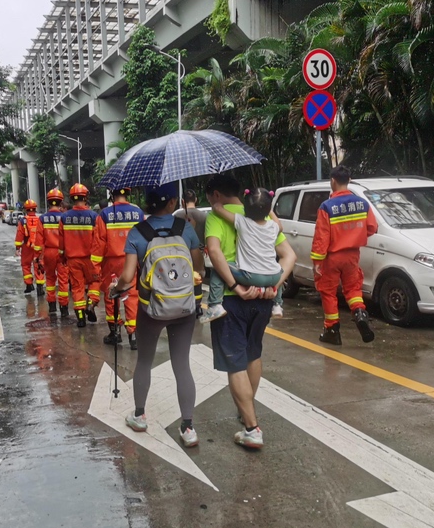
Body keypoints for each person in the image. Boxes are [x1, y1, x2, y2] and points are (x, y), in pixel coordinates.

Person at [204, 174, 296, 449]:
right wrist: (275, 285)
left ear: (216, 195)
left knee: (234, 362)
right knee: (253, 353)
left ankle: (252, 428)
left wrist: (235, 284)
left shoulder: (217, 217)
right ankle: (246, 412)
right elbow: (288, 255)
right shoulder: (265, 219)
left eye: (210, 197)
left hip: (233, 300)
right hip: (265, 299)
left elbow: (214, 251)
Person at [110, 182, 205, 448]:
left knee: (144, 361)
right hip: (184, 309)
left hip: (151, 309)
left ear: (147, 204)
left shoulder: (137, 232)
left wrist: (115, 289)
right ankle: (188, 428)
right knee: (181, 365)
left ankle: (139, 415)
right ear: (172, 203)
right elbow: (199, 270)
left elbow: (128, 277)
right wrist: (191, 237)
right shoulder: (185, 228)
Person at [311, 165, 378, 345]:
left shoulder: (327, 206)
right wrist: (355, 236)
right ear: (349, 180)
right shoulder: (362, 203)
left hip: (331, 258)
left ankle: (332, 330)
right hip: (352, 256)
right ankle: (359, 313)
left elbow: (321, 237)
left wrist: (317, 260)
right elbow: (372, 227)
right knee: (353, 289)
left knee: (328, 292)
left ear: (332, 181)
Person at [202, 187, 283, 323]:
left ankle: (215, 304)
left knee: (219, 268)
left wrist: (217, 206)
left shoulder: (242, 222)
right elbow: (280, 226)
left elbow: (221, 211)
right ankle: (277, 304)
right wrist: (269, 210)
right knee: (279, 269)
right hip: (273, 278)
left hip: (250, 276)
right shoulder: (273, 227)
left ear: (246, 208)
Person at [91, 186, 144, 349]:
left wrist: (95, 268)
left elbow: (99, 244)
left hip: (111, 263)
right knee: (132, 296)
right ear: (127, 193)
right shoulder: (138, 213)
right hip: (132, 260)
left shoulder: (105, 214)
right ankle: (133, 335)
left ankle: (115, 333)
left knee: (111, 295)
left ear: (112, 195)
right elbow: (145, 239)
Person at [59, 183, 101, 327]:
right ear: (86, 197)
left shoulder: (64, 218)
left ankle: (81, 318)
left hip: (72, 259)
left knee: (77, 287)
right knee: (95, 282)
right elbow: (99, 239)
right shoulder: (94, 216)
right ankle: (90, 303)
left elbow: (61, 242)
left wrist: (63, 257)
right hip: (91, 259)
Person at [40, 188, 70, 318]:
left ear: (48, 202)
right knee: (63, 280)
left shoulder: (42, 219)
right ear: (60, 202)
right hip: (62, 252)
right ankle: (64, 308)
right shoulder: (65, 218)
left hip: (48, 252)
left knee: (50, 279)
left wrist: (38, 258)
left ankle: (52, 305)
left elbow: (38, 242)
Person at [15, 199, 45, 295]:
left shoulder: (23, 220)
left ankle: (29, 285)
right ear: (35, 209)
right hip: (38, 246)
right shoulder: (40, 219)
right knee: (39, 265)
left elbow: (19, 235)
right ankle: (40, 287)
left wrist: (17, 248)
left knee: (26, 265)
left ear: (25, 209)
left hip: (27, 246)